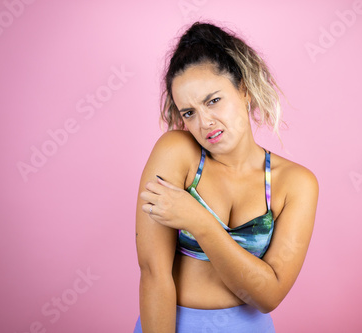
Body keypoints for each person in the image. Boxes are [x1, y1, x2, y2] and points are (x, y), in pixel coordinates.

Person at [134, 21, 318, 332]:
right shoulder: (177, 152)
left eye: (213, 100)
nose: (205, 122)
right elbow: (153, 271)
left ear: (244, 90)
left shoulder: (295, 184)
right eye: (189, 112)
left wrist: (199, 221)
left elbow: (268, 295)